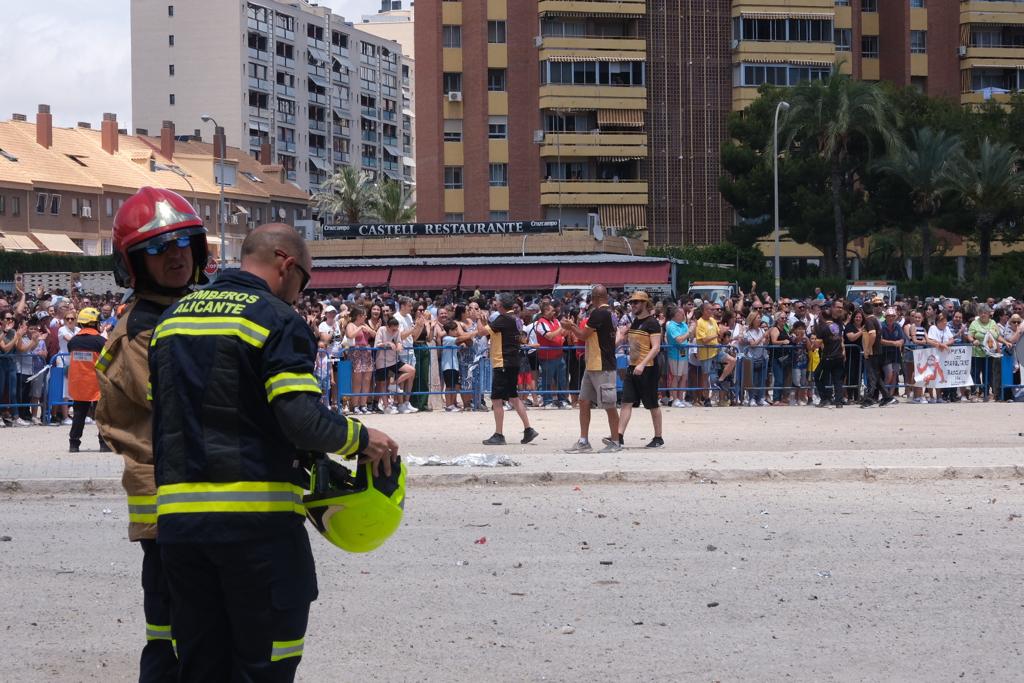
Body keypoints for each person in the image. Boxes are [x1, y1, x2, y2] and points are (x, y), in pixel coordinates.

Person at [149, 223, 398, 681]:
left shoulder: (173, 320)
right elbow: (300, 418)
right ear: (287, 263)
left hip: (180, 528)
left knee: (201, 667)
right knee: (264, 667)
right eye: (304, 279)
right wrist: (363, 439)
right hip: (255, 528)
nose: (301, 292)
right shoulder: (275, 319)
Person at [95, 186, 211, 682]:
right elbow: (181, 404)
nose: (176, 256)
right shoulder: (140, 331)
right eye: (158, 248)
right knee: (172, 642)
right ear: (134, 264)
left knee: (203, 636)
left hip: (193, 495)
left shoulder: (185, 313)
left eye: (183, 243)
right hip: (166, 507)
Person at [560, 284, 620, 453]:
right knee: (584, 401)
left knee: (609, 404)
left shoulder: (599, 313)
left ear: (593, 299)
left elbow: (583, 336)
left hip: (601, 364)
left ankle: (615, 441)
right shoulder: (611, 313)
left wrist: (570, 326)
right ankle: (584, 440)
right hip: (594, 363)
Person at [473, 292, 538, 446]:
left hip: (502, 362)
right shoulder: (516, 319)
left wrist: (478, 320)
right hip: (513, 361)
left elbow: (482, 332)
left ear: (501, 305)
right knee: (513, 397)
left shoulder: (503, 319)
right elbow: (496, 331)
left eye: (496, 302)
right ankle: (528, 429)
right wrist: (485, 320)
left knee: (496, 399)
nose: (495, 303)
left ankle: (499, 434)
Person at [616, 291, 664, 448]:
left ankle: (658, 437)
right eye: (632, 302)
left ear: (644, 303)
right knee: (626, 402)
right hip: (633, 367)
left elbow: (656, 347)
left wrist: (642, 364)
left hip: (648, 368)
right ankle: (619, 436)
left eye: (636, 302)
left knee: (652, 404)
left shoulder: (652, 323)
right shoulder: (634, 322)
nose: (633, 305)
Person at [66, 308, 109, 453]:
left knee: (78, 415)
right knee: (102, 416)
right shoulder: (101, 341)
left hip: (79, 385)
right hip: (97, 384)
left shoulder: (73, 341)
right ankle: (104, 444)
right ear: (94, 323)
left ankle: (74, 444)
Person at [860, 302, 896, 408]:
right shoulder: (875, 320)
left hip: (872, 352)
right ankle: (887, 397)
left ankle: (869, 399)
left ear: (863, 311)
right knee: (876, 375)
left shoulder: (869, 321)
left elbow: (872, 335)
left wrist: (867, 349)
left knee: (871, 376)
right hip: (877, 352)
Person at [812, 300, 847, 408]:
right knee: (837, 379)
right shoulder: (838, 322)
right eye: (838, 307)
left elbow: (817, 344)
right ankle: (838, 401)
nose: (840, 309)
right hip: (836, 356)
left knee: (818, 376)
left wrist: (812, 345)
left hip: (829, 356)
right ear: (832, 308)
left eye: (841, 307)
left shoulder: (827, 325)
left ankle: (826, 399)